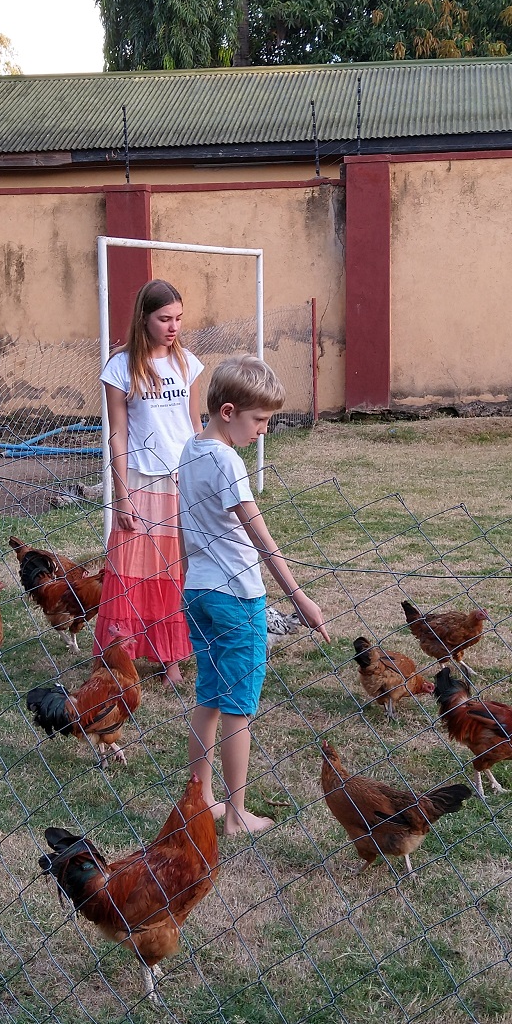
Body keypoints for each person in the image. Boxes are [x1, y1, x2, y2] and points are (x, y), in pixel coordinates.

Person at [177, 355, 328, 834]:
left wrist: (187, 577)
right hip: (237, 599)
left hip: (198, 592)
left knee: (208, 697)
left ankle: (201, 799)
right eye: (259, 420)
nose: (263, 430)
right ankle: (237, 814)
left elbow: (183, 526)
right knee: (238, 708)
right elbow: (261, 538)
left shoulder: (190, 449)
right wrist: (300, 598)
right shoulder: (227, 461)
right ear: (228, 412)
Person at [99, 280, 202, 687]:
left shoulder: (188, 363)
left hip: (183, 480)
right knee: (131, 572)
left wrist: (204, 475)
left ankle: (170, 658)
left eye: (178, 318)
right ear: (144, 318)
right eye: (164, 319)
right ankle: (117, 659)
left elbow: (195, 425)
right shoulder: (120, 367)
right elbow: (117, 434)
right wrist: (121, 495)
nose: (173, 327)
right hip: (140, 482)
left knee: (174, 572)